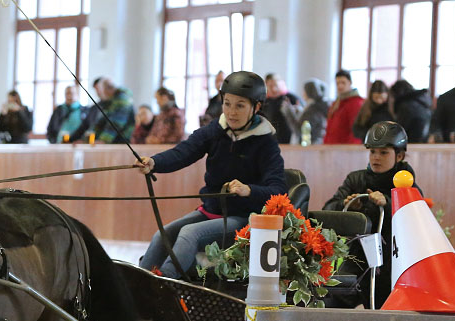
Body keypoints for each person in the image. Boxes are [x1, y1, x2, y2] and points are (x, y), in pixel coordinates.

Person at [134, 71, 287, 278]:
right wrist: (154, 163)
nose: (231, 112)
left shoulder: (266, 142)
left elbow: (278, 190)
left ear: (256, 107)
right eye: (227, 103)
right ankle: (136, 285)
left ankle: (165, 284)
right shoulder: (216, 129)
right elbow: (184, 152)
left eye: (240, 105)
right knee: (163, 235)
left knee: (189, 234)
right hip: (210, 211)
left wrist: (248, 190)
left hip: (244, 219)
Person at [323, 121, 423, 308]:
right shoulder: (356, 179)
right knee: (334, 296)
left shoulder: (406, 183)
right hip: (357, 255)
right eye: (372, 152)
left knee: (383, 306)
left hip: (393, 259)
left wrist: (388, 202)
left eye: (383, 152)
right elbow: (328, 208)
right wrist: (349, 205)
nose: (376, 157)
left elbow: (417, 215)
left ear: (399, 155)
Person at [66, 77, 136, 144]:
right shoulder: (111, 101)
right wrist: (85, 141)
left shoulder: (122, 99)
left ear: (107, 89)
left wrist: (103, 141)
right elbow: (100, 123)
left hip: (123, 142)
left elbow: (116, 124)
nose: (100, 94)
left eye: (101, 91)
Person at [325, 70, 364, 144]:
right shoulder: (336, 103)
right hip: (331, 147)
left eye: (343, 82)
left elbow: (355, 132)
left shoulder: (356, 103)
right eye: (337, 83)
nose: (340, 86)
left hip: (345, 149)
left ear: (350, 82)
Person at [261, 74, 302, 144]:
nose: (274, 89)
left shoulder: (291, 98)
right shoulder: (263, 100)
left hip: (289, 138)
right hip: (269, 139)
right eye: (270, 86)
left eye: (276, 85)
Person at [389, 80, 432, 144]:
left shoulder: (406, 106)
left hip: (411, 144)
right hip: (425, 142)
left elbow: (399, 131)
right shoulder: (423, 102)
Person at [297, 79, 329, 144]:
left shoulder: (313, 109)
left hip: (310, 144)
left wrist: (288, 112)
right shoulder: (319, 107)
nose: (303, 93)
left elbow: (300, 130)